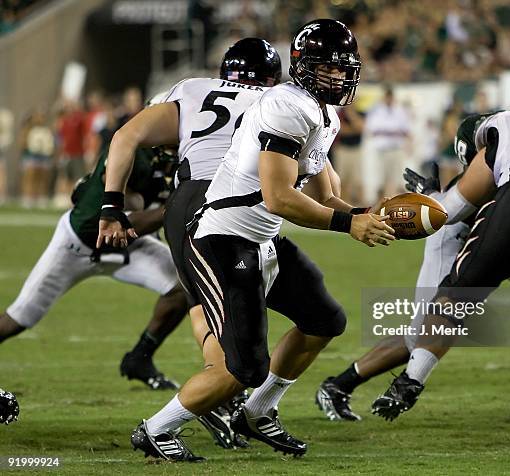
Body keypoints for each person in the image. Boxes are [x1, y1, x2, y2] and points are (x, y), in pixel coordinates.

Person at [98, 19, 394, 461]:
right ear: (300, 67)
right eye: (327, 69)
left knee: (324, 320)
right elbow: (278, 198)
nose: (337, 78)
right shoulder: (287, 106)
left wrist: (370, 215)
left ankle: (258, 412)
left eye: (342, 69)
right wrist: (347, 225)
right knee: (242, 368)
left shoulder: (323, 114)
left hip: (261, 238)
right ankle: (155, 430)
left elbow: (326, 195)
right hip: (224, 237)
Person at [317, 103, 510, 422]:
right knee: (425, 331)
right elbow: (452, 210)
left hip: (508, 231)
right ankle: (338, 385)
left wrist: (432, 193)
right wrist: (428, 198)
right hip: (461, 233)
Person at [0, 144, 186, 392]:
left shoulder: (182, 156)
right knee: (17, 319)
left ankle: (139, 359)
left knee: (183, 286)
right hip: (78, 244)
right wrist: (178, 208)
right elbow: (122, 222)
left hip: (125, 247)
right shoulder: (134, 153)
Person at [362, 85, 411, 203]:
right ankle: (382, 201)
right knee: (382, 177)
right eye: (387, 97)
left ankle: (394, 201)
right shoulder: (376, 110)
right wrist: (391, 132)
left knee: (396, 176)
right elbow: (371, 130)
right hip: (382, 149)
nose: (389, 99)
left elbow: (407, 130)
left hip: (396, 148)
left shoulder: (400, 110)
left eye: (390, 97)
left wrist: (408, 144)